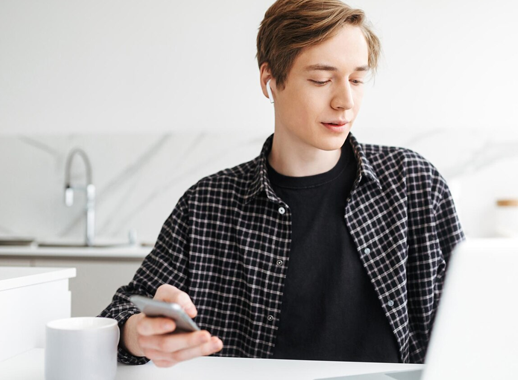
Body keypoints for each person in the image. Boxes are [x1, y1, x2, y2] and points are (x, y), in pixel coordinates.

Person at [99, 0, 465, 368]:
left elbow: (473, 316)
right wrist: (138, 332)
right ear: (269, 80)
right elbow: (120, 311)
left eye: (356, 79)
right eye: (321, 80)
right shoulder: (208, 204)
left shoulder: (414, 184)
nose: (346, 101)